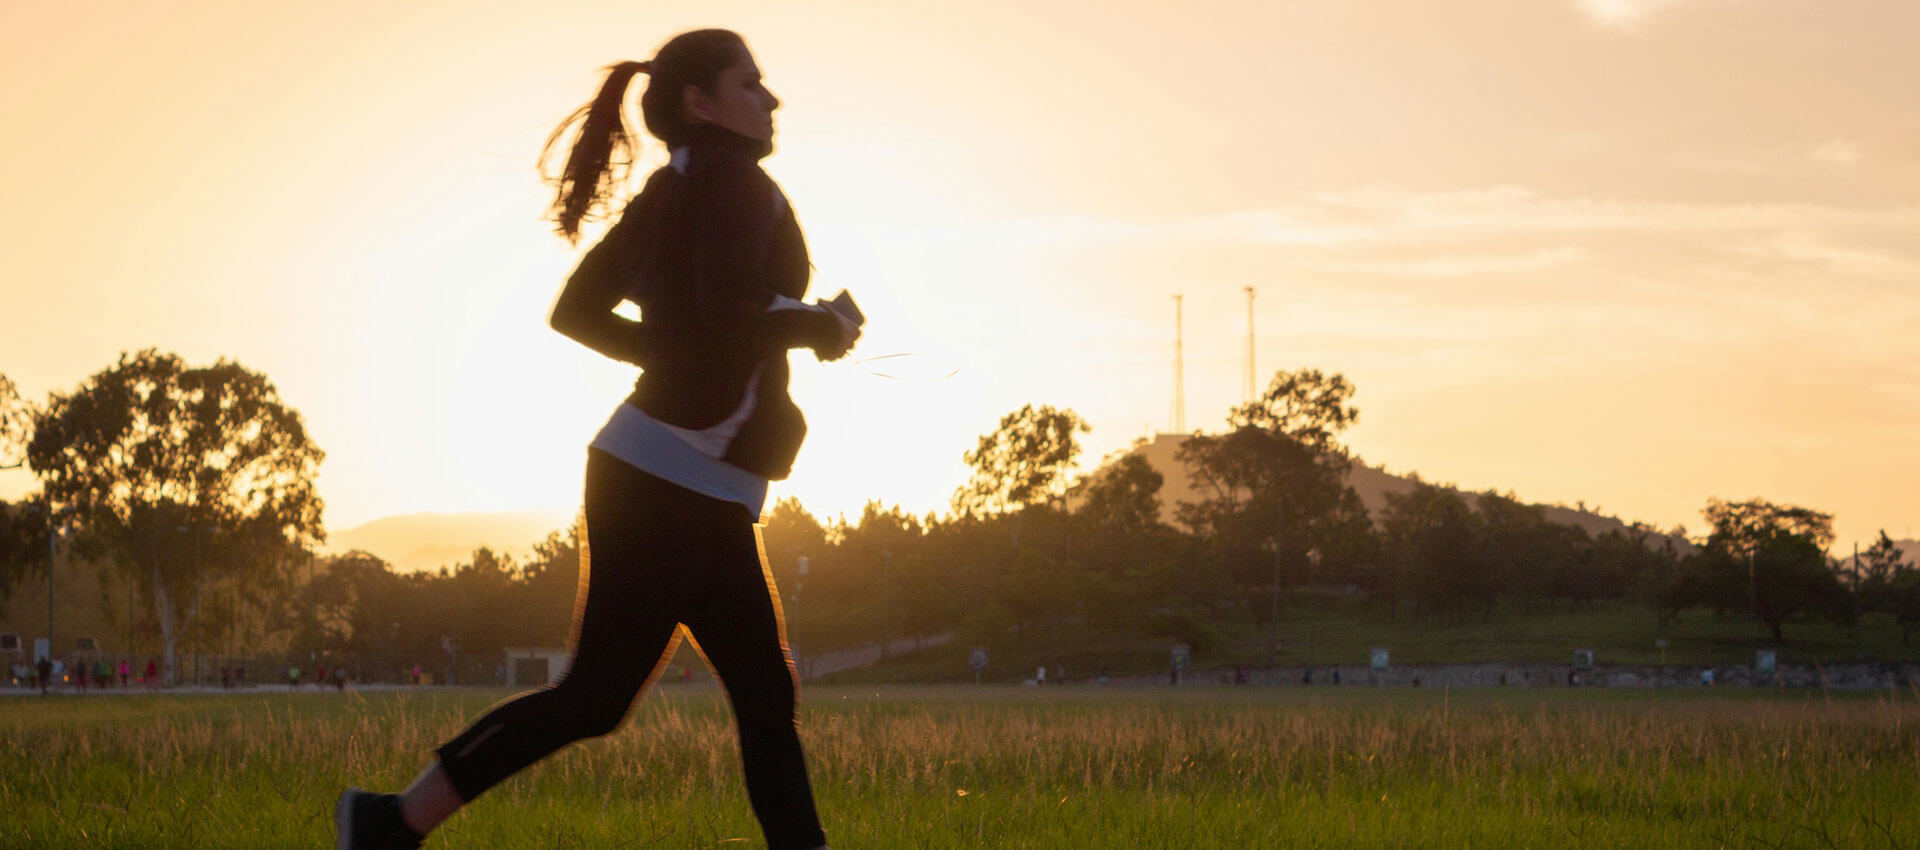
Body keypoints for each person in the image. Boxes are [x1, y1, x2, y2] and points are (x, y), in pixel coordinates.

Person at [337, 30, 851, 850]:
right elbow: (726, 315)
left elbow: (579, 311)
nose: (770, 98)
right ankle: (387, 823)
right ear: (700, 102)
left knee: (756, 692)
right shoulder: (734, 185)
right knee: (604, 697)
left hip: (688, 481)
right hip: (667, 482)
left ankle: (389, 824)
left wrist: (686, 356)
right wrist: (817, 324)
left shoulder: (675, 190)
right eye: (750, 83)